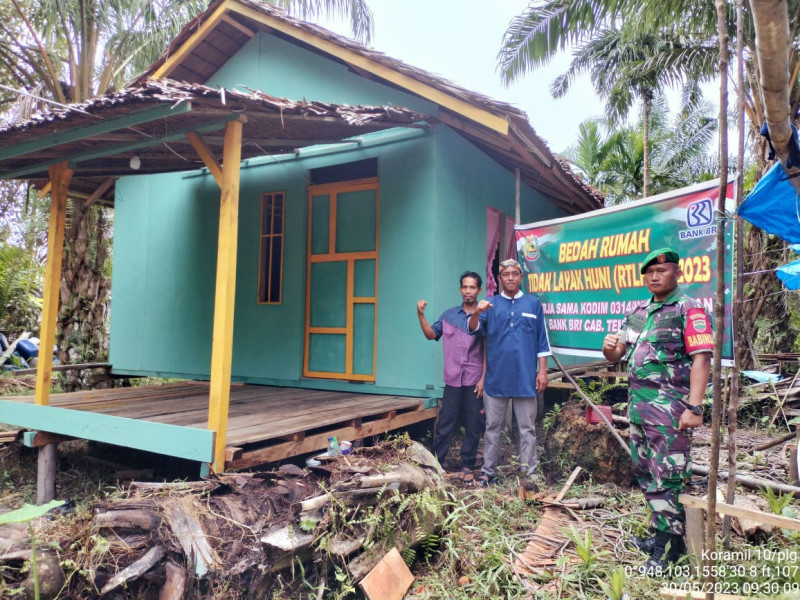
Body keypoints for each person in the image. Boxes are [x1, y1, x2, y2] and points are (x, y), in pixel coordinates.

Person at [602, 247, 712, 573]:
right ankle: (665, 537)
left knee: (669, 477)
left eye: (661, 271)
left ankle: (665, 554)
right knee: (646, 473)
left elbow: (702, 359)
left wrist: (694, 406)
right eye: (649, 272)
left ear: (677, 273)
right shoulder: (639, 311)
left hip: (670, 413)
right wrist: (610, 348)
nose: (654, 276)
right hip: (639, 410)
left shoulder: (688, 309)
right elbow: (618, 352)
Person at [468, 258, 551, 487]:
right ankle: (488, 472)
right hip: (496, 380)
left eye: (515, 274)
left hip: (526, 378)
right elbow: (473, 329)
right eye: (506, 274)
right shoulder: (490, 304)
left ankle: (529, 474)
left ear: (521, 278)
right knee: (492, 428)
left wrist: (542, 371)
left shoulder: (533, 305)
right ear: (500, 278)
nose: (511, 278)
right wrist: (477, 311)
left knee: (527, 429)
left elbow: (541, 342)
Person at [417, 271, 485, 486]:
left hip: (474, 378)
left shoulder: (483, 314)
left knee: (474, 423)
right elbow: (430, 335)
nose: (468, 291)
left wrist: (483, 379)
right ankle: (436, 463)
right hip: (453, 378)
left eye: (472, 287)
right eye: (465, 287)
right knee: (446, 421)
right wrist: (420, 315)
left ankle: (467, 465)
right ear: (460, 289)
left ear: (478, 290)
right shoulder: (448, 316)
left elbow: (487, 349)